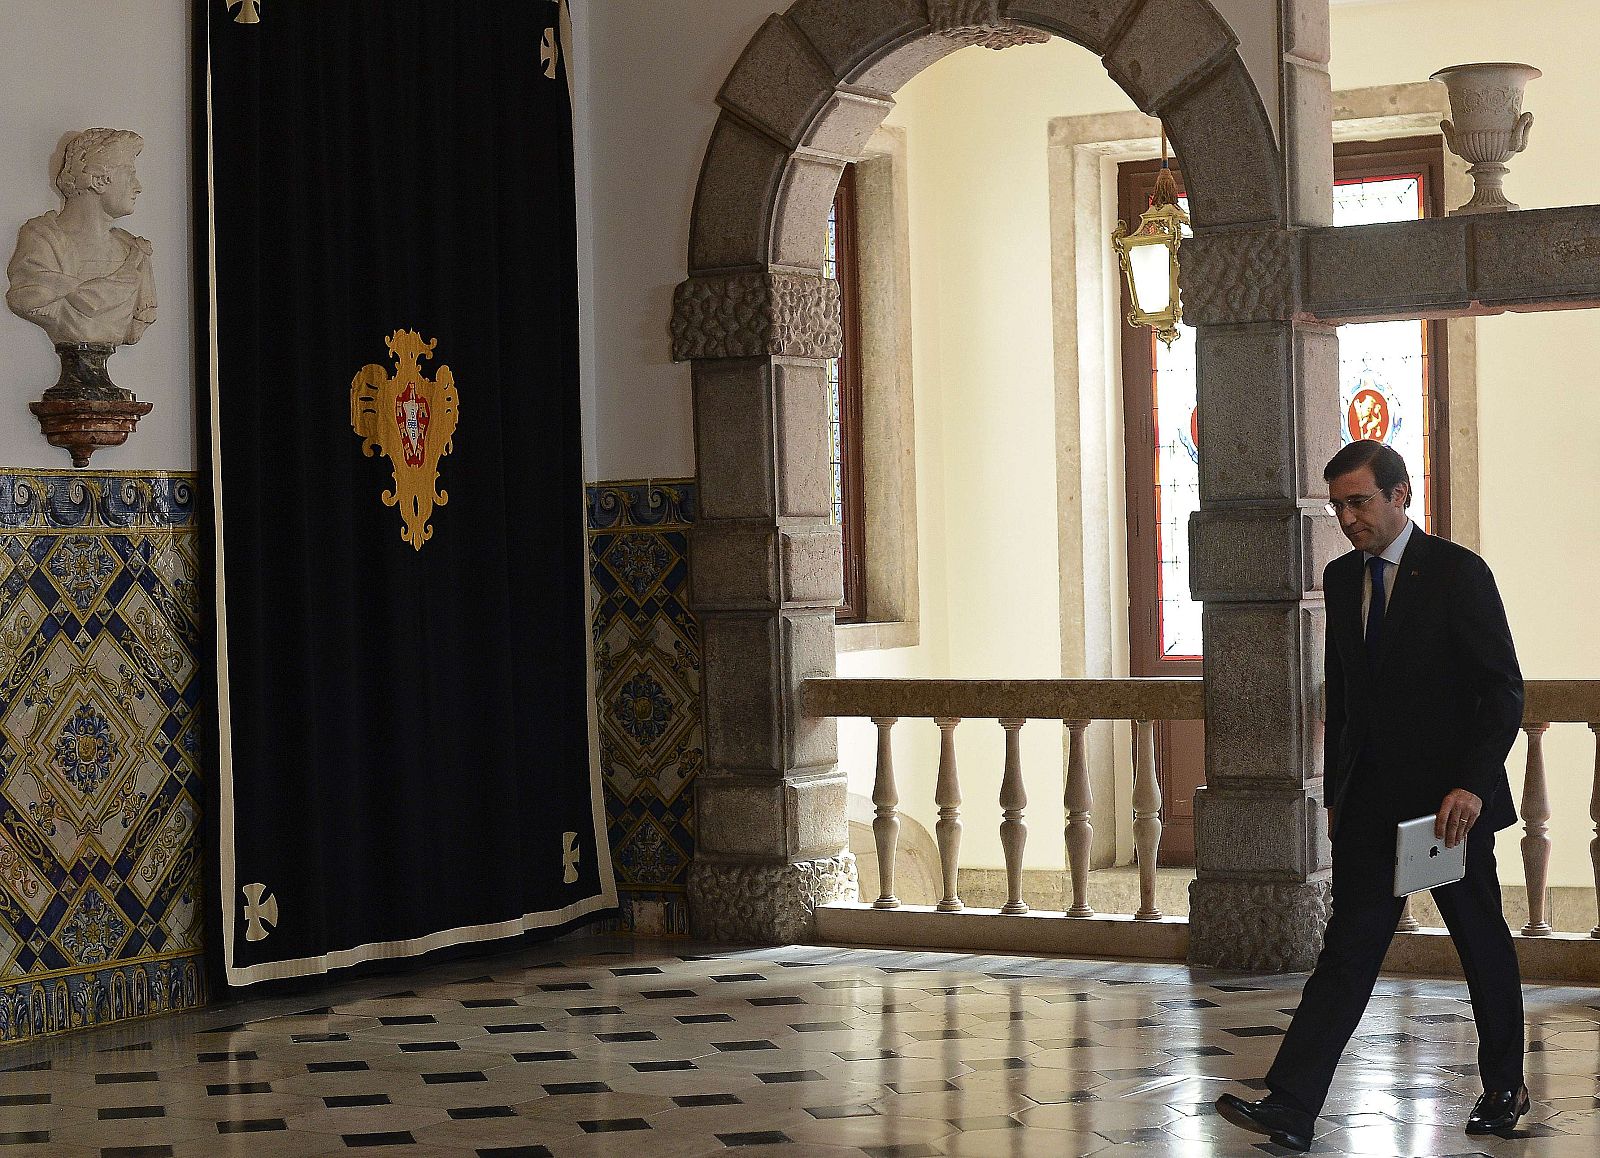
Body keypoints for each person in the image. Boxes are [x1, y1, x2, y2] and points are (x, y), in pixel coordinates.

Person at [1216, 440, 1527, 1152]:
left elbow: (1503, 690)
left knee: (1480, 943)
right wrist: (1336, 793)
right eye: (1338, 506)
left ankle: (1505, 1087)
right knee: (1348, 951)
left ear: (1400, 496)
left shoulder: (1457, 573)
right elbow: (1348, 702)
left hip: (1449, 811)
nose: (1347, 517)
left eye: (1358, 502)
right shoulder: (1339, 574)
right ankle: (1292, 1104)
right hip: (1368, 808)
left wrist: (1471, 785)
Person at [6, 127, 156, 348]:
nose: (138, 187)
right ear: (98, 180)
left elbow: (138, 323)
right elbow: (27, 296)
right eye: (130, 174)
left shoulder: (134, 253)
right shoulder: (41, 240)